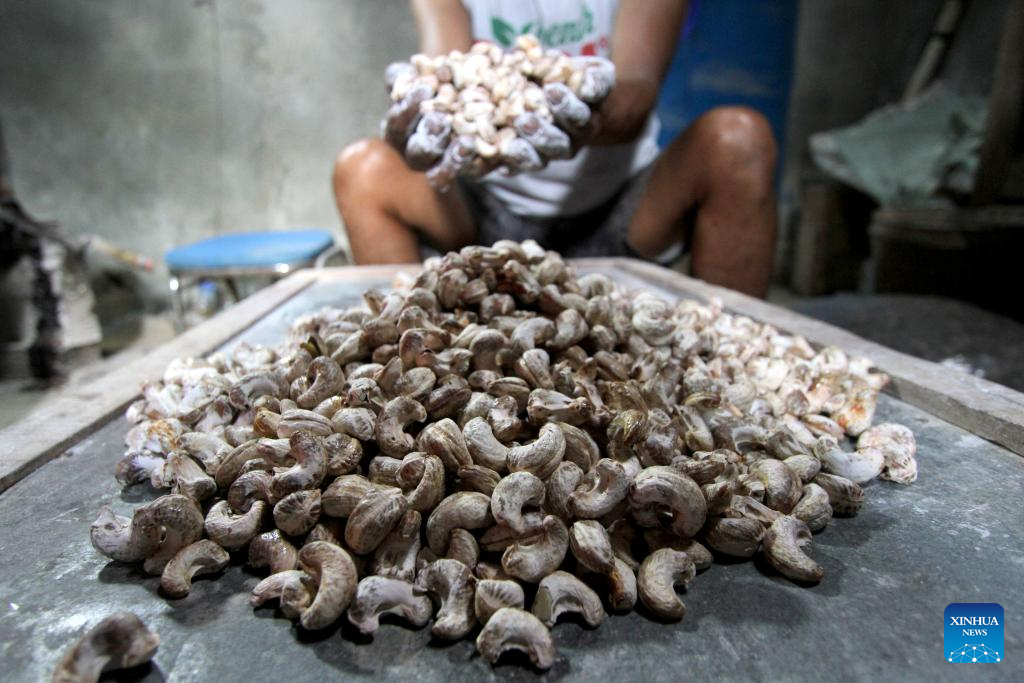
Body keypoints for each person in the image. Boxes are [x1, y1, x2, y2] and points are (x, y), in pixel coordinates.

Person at [333, 0, 777, 298]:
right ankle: (414, 354)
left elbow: (636, 93)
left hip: (622, 211)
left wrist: (583, 119)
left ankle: (733, 358)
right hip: (489, 215)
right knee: (362, 171)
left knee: (739, 142)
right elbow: (445, 69)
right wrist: (426, 118)